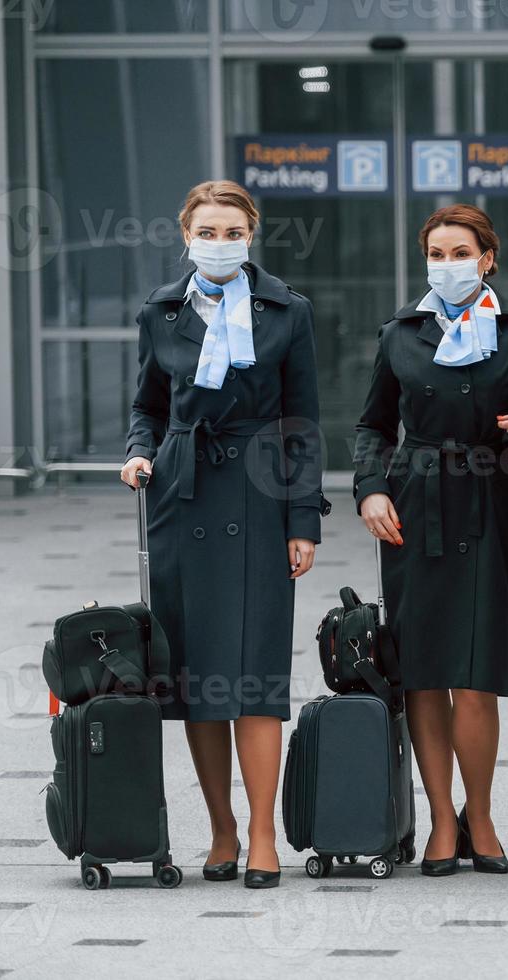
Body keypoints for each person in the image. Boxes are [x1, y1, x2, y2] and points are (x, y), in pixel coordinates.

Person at [122, 179, 328, 889]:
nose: (218, 243)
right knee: (196, 676)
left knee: (257, 672)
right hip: (183, 494)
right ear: (186, 235)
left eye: (231, 232)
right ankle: (221, 829)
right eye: (206, 232)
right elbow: (147, 404)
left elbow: (303, 419)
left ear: (252, 234)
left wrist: (305, 521)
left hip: (259, 491)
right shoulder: (161, 308)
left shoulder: (287, 310)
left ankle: (265, 832)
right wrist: (137, 451)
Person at [353, 204, 508, 877]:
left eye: (460, 252)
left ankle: (481, 816)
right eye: (436, 254)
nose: (447, 264)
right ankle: (440, 820)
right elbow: (372, 425)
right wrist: (370, 487)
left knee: (477, 675)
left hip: (488, 502)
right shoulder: (400, 333)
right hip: (414, 506)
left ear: (488, 258)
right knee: (425, 673)